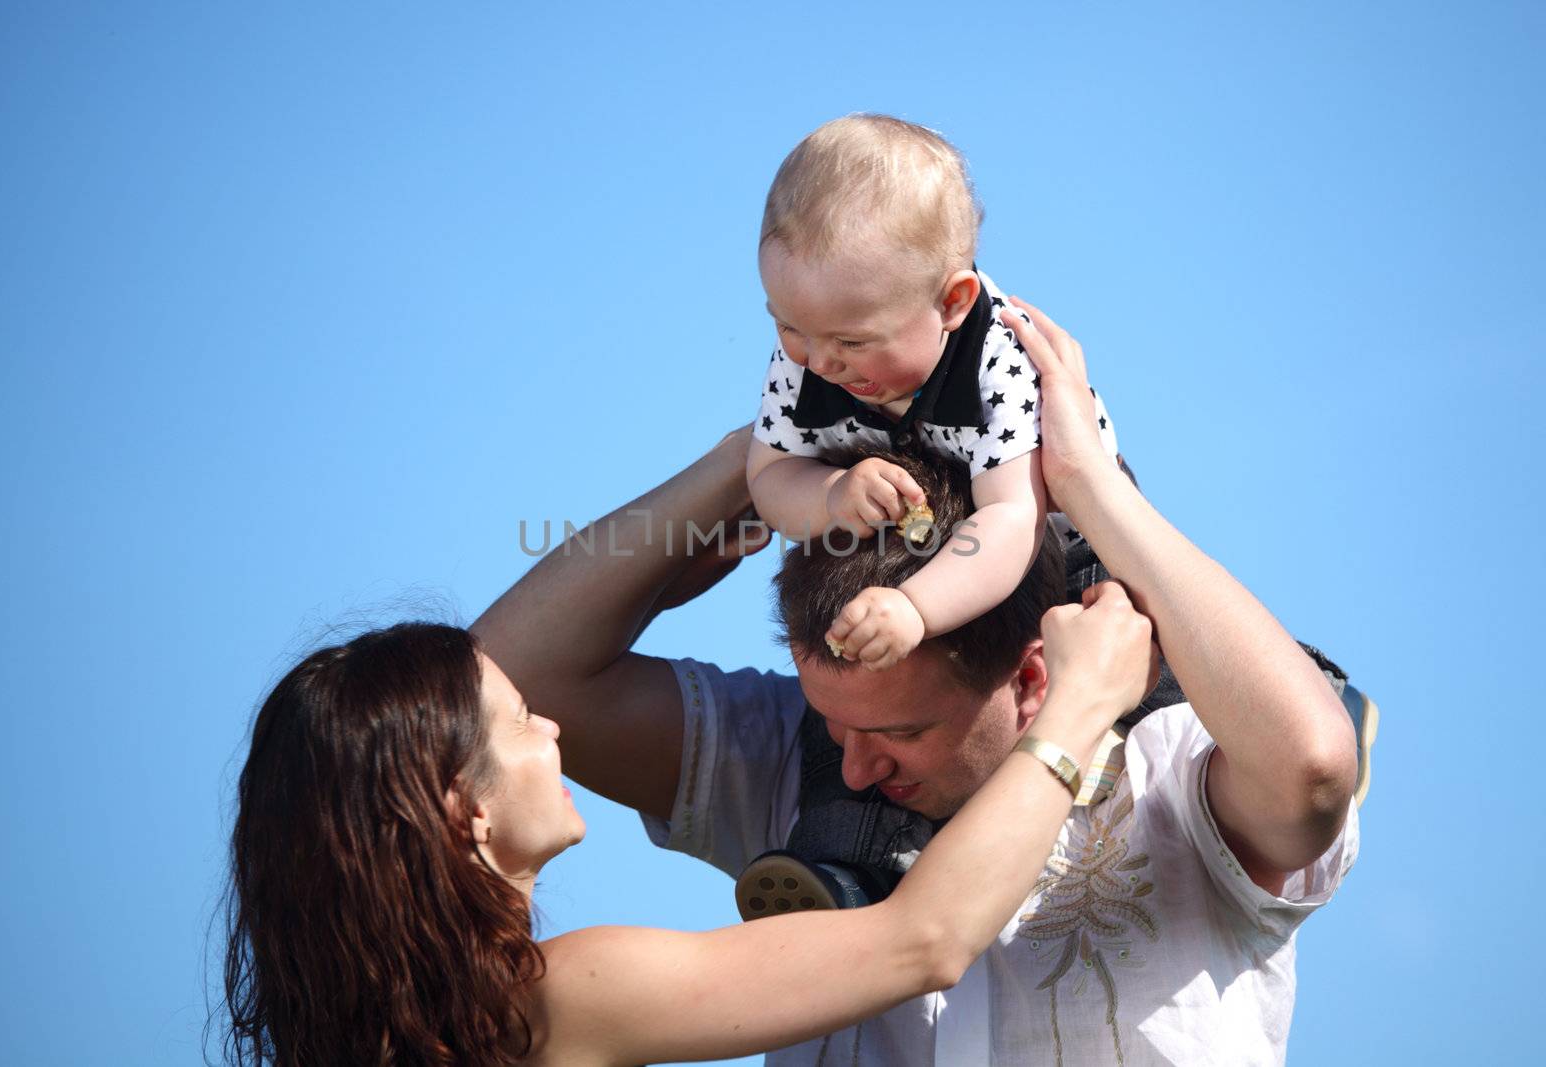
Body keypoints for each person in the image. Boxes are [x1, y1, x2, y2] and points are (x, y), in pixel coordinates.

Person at [476, 299, 1361, 1064]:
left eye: (900, 735)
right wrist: (764, 458)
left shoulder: (1177, 774)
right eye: (834, 724)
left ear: (1032, 673)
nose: (853, 767)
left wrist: (1087, 481)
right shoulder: (802, 758)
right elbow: (498, 684)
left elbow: (1315, 766)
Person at [222, 575, 1158, 1062]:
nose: (551, 724)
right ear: (463, 812)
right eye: (517, 722)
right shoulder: (555, 999)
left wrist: (743, 474)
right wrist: (1080, 707)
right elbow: (926, 941)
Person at [747, 114, 1120, 670]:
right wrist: (829, 494)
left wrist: (916, 608)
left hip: (1061, 544)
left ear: (952, 304)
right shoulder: (812, 351)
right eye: (789, 327)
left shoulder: (1001, 363)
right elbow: (768, 477)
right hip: (911, 540)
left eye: (852, 340)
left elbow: (1012, 520)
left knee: (1129, 673)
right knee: (854, 679)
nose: (819, 361)